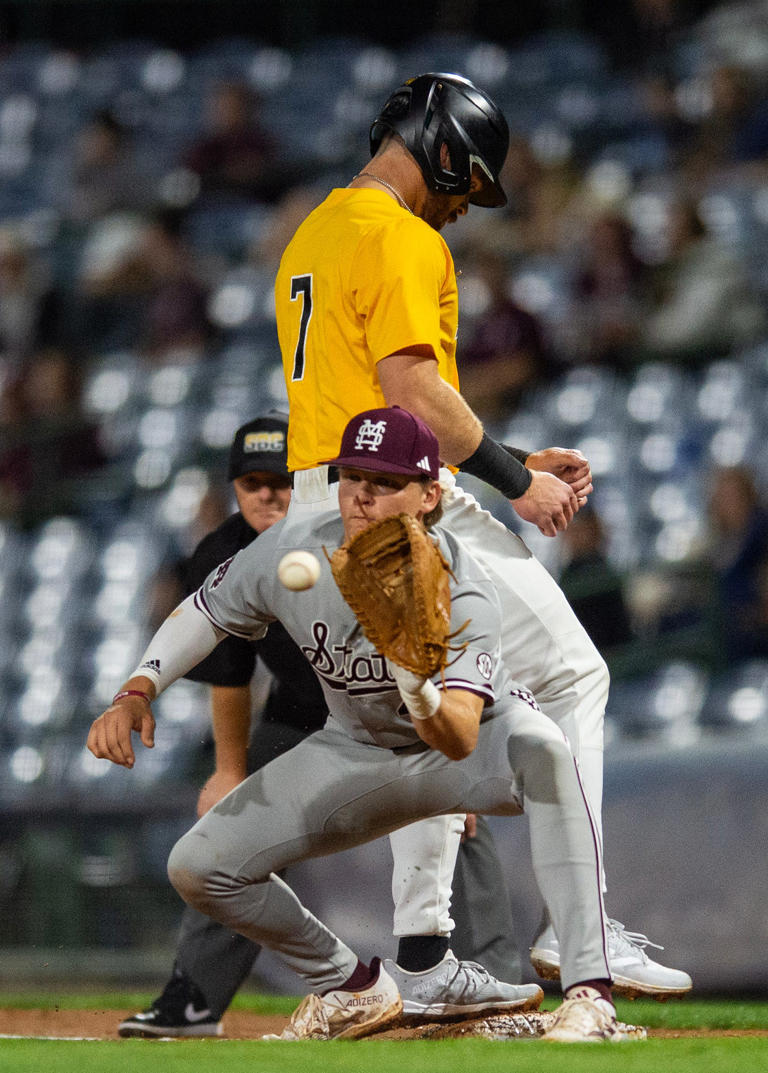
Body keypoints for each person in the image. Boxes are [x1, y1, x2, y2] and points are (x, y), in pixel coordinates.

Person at [273, 72, 691, 999]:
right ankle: (580, 928)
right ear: (446, 146)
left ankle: (422, 960)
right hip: (392, 508)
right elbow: (411, 388)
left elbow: (381, 403)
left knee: (435, 725)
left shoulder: (315, 230)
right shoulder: (401, 233)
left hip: (324, 508)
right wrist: (521, 483)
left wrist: (485, 460)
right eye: (470, 180)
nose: (466, 206)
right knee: (578, 674)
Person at [87, 406, 647, 1043]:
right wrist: (138, 688)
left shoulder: (463, 583)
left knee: (548, 751)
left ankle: (589, 995)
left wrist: (416, 681)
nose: (361, 494)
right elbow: (206, 610)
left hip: (467, 750)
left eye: (384, 481)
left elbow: (461, 735)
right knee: (197, 865)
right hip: (354, 749)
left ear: (430, 494)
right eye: (353, 475)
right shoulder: (296, 547)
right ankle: (351, 986)